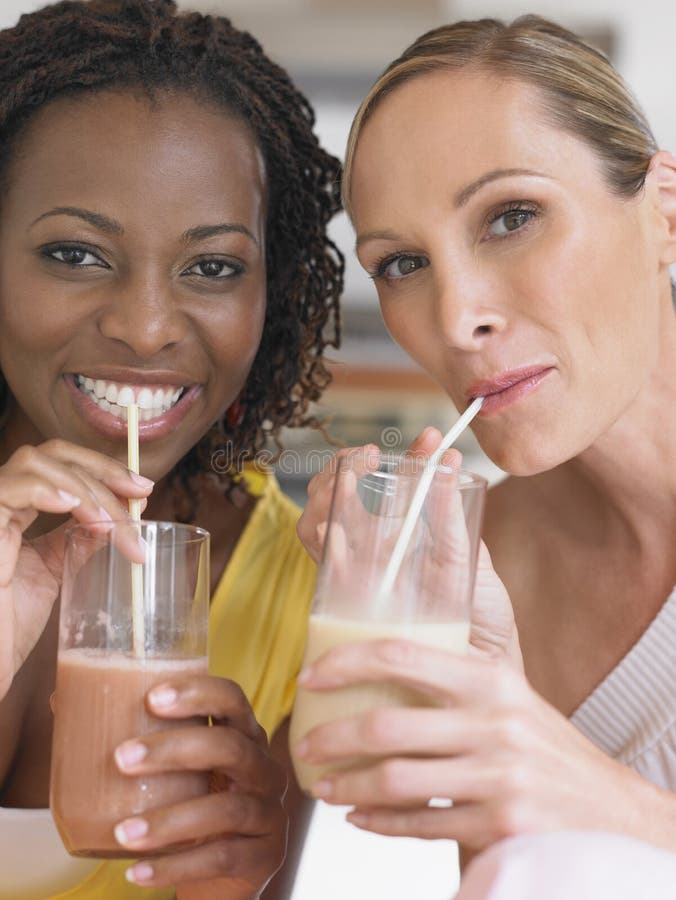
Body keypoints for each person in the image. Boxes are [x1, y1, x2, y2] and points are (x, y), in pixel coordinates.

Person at [294, 12, 676, 894]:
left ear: (662, 208)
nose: (457, 318)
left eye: (512, 216)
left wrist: (597, 797)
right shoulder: (459, 582)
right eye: (401, 264)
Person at [0, 1, 343, 898]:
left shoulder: (304, 596)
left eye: (214, 267)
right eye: (75, 253)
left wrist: (244, 886)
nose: (148, 329)